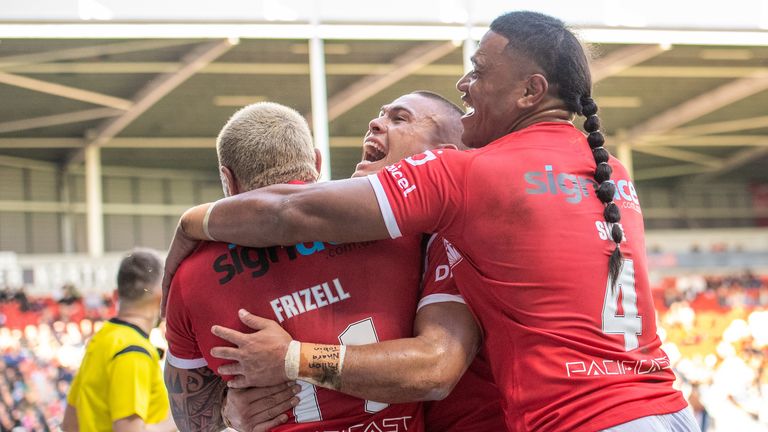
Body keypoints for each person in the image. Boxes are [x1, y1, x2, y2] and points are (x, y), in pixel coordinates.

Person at [165, 11, 699, 432]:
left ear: (530, 91)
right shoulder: (606, 173)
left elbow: (434, 365)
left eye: (479, 72)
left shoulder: (464, 188)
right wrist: (242, 410)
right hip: (661, 406)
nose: (466, 84)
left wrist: (192, 226)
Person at [163, 98, 504, 431]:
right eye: (380, 114)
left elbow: (191, 419)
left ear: (228, 179)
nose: (375, 123)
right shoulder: (403, 240)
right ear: (316, 162)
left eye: (399, 118)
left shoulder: (189, 279)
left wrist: (285, 364)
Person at [63, 249, 175, 432]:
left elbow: (70, 423)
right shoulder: (133, 351)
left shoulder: (101, 339)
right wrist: (175, 419)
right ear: (161, 298)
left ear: (117, 294)